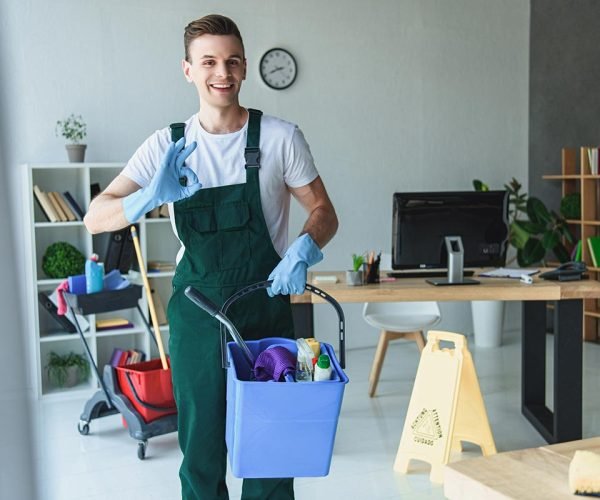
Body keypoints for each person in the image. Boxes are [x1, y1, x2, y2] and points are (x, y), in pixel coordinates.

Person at [84, 13, 338, 500]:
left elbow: (324, 211)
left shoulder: (280, 138)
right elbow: (96, 217)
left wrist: (306, 245)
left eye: (232, 61)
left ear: (243, 68)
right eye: (209, 62)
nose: (222, 72)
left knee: (272, 448)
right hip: (198, 315)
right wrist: (146, 196)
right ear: (188, 70)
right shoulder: (168, 144)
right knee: (199, 450)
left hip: (264, 310)